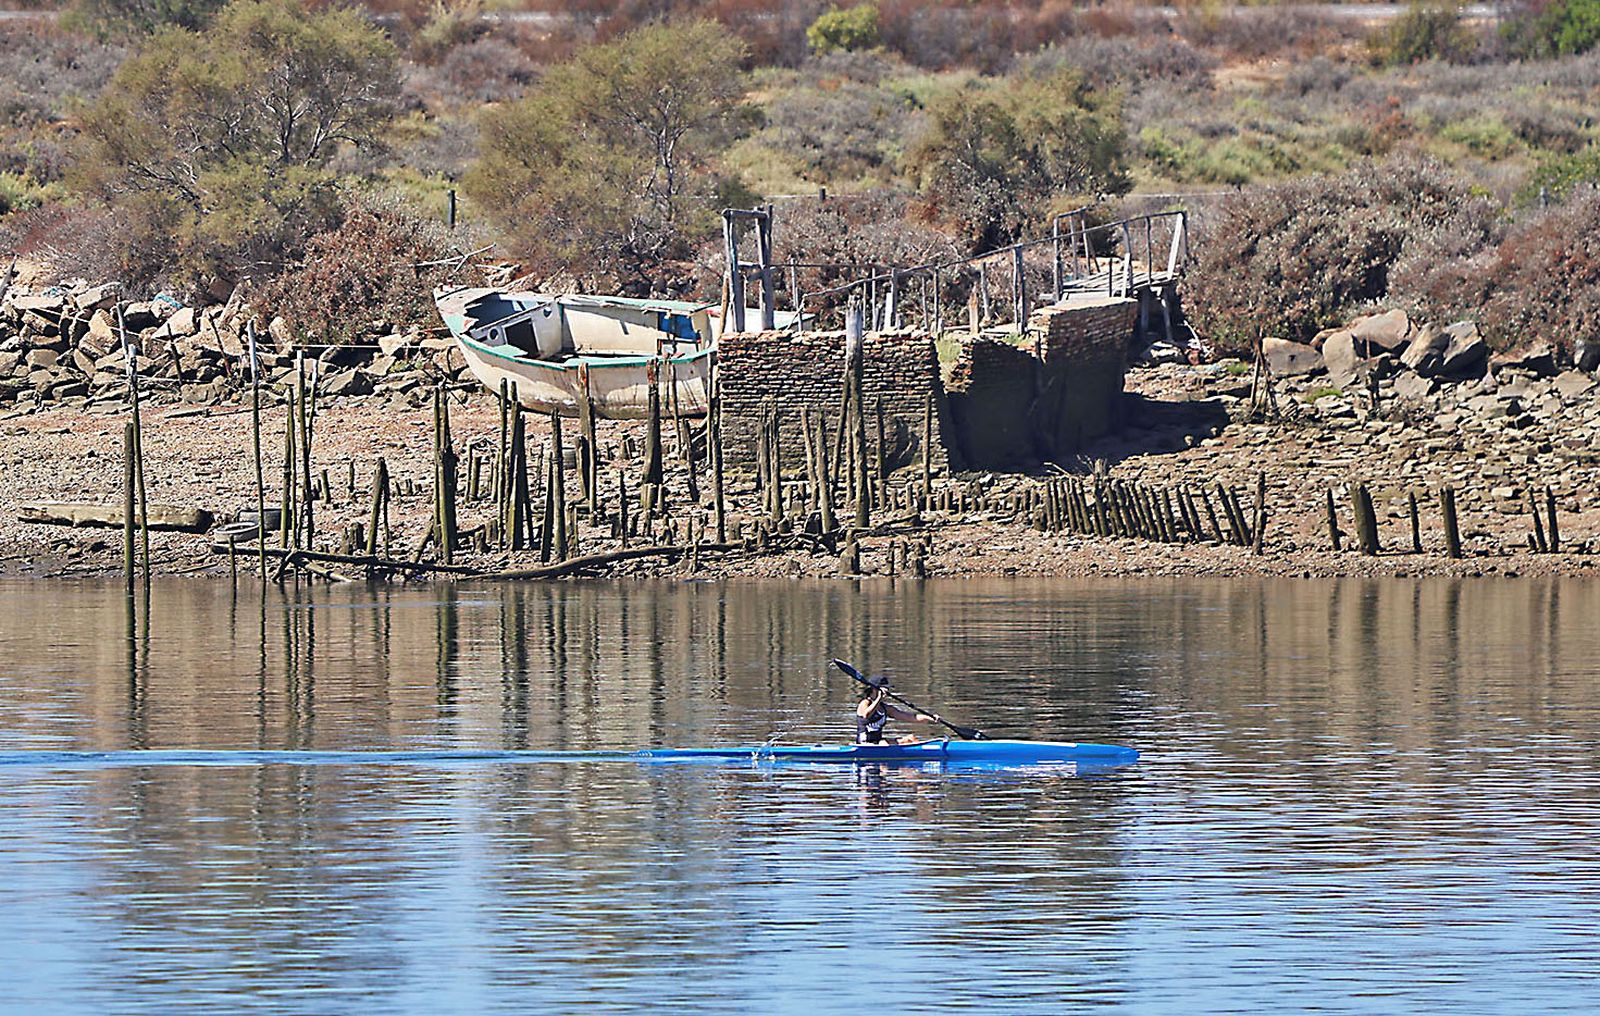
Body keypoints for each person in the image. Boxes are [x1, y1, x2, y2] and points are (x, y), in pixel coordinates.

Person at [856, 674, 937, 745]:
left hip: (878, 742)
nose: (888, 691)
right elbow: (866, 715)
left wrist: (931, 718)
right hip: (865, 743)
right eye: (886, 688)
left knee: (911, 738)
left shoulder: (886, 709)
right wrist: (879, 697)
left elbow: (911, 717)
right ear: (875, 689)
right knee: (885, 744)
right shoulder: (864, 703)